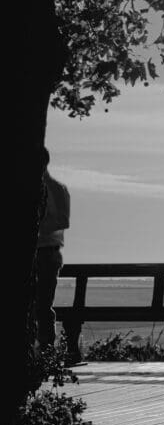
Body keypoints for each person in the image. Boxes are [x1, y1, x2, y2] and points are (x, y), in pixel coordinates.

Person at [35, 147, 70, 348]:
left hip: (47, 252)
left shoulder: (55, 189)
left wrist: (37, 228)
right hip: (42, 252)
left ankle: (46, 349)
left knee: (42, 305)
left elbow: (62, 220)